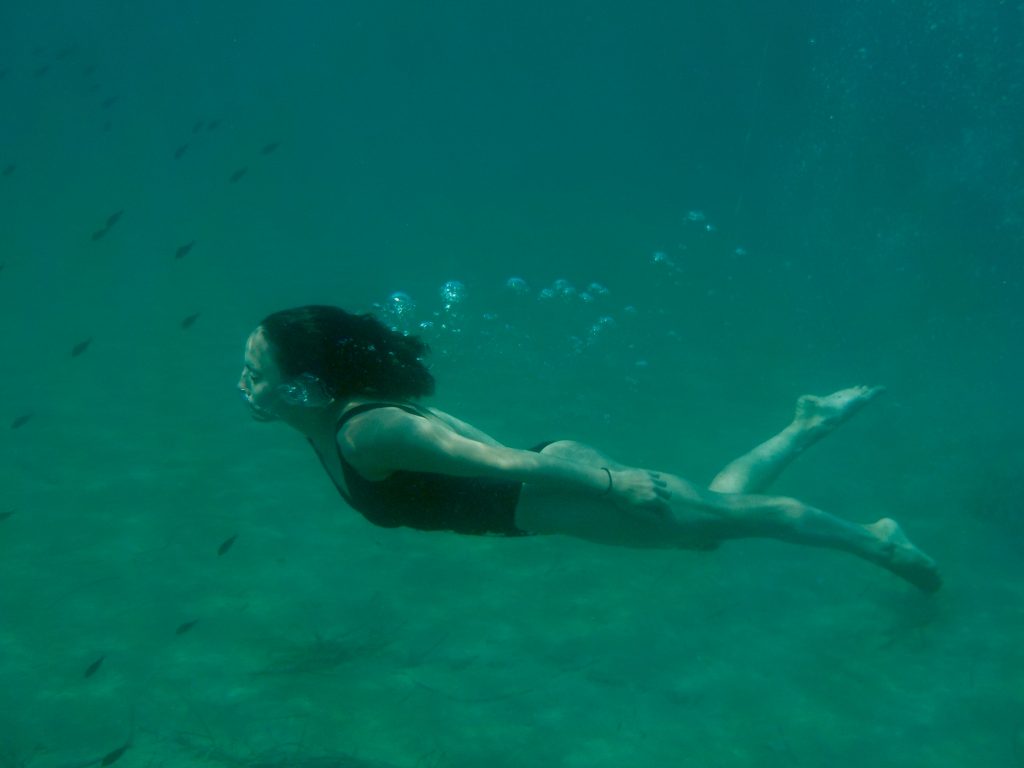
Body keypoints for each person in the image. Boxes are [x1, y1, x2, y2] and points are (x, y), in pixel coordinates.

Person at [238, 305, 941, 593]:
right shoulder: (326, 425)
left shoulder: (365, 431)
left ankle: (878, 539)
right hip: (555, 487)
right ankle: (806, 425)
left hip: (560, 491)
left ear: (304, 385)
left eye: (254, 374)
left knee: (737, 521)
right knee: (713, 522)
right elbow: (472, 440)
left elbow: (503, 462)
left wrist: (610, 483)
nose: (243, 386)